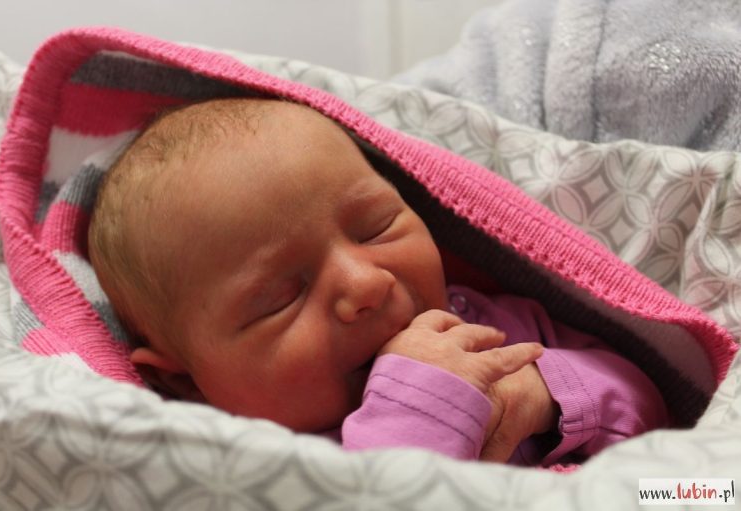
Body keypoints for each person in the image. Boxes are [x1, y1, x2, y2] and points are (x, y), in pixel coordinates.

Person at [88, 98, 668, 464]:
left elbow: (659, 412)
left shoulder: (487, 325)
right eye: (280, 298)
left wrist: (548, 393)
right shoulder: (250, 466)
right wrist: (420, 410)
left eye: (376, 227)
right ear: (187, 383)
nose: (364, 283)